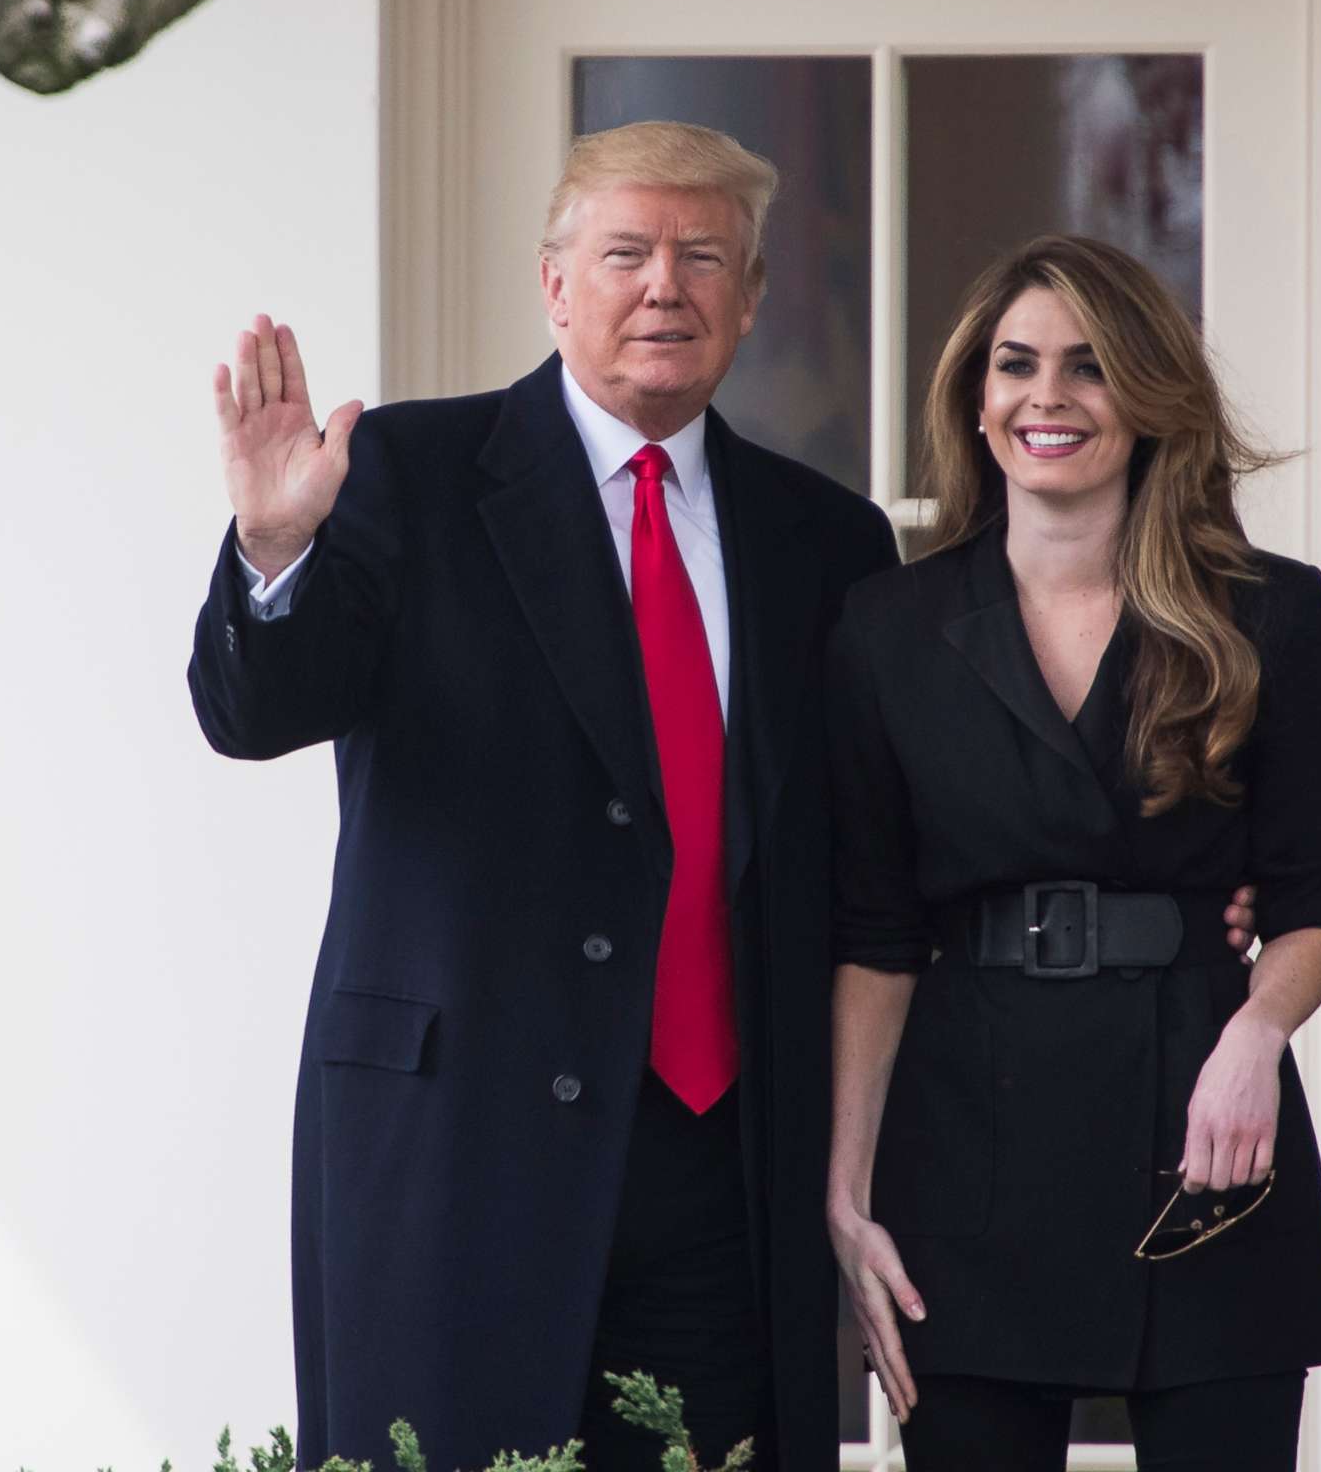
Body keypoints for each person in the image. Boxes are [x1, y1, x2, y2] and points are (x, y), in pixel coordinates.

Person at [188, 120, 907, 1472]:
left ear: (751, 300)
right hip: (462, 1140)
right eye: (626, 251)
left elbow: (870, 843)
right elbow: (257, 713)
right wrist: (276, 546)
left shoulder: (830, 542)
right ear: (554, 285)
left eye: (706, 257)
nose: (665, 285)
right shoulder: (409, 473)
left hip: (723, 1166)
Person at [824, 234, 1321, 1471]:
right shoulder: (886, 628)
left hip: (1204, 1137)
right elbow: (876, 933)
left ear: (1149, 397)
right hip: (965, 1155)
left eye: (1089, 367)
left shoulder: (1270, 614)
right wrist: (846, 1200)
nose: (1046, 397)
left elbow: (1308, 899)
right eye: (1016, 365)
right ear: (976, 394)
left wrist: (1255, 1039)